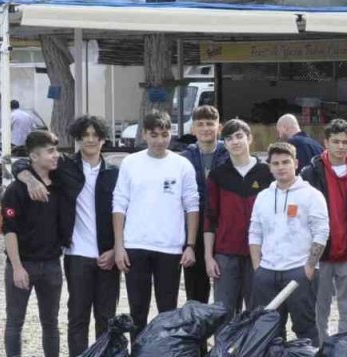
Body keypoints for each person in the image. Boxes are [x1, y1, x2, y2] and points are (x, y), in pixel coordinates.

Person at [13, 117, 121, 357]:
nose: (90, 139)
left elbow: (124, 214)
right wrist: (30, 181)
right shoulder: (64, 166)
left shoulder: (115, 173)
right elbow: (22, 162)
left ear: (103, 139)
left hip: (108, 255)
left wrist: (116, 249)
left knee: (106, 318)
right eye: (85, 135)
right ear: (77, 138)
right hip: (77, 254)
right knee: (77, 317)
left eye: (95, 135)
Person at [113, 111, 200, 334]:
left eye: (164, 134)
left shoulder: (182, 165)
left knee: (168, 311)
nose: (159, 140)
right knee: (138, 311)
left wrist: (190, 245)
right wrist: (119, 245)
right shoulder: (130, 163)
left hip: (170, 247)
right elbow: (119, 204)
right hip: (136, 245)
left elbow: (192, 206)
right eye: (154, 135)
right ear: (144, 135)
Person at [248, 143, 329, 342]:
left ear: (296, 163)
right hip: (267, 272)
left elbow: (321, 231)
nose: (281, 167)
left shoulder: (312, 195)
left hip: (299, 271)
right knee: (268, 330)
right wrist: (258, 266)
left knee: (305, 328)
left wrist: (309, 266)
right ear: (269, 167)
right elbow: (255, 232)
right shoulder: (263, 197)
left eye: (286, 162)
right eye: (275, 163)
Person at [0, 130, 65, 357]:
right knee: (15, 321)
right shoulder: (15, 191)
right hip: (22, 264)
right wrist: (17, 267)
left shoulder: (59, 183)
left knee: (51, 322)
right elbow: (9, 230)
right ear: (33, 157)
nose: (56, 156)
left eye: (55, 150)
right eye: (50, 152)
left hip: (51, 265)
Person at [302, 119, 347, 341]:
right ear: (326, 142)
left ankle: (344, 351)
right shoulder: (309, 173)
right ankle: (321, 351)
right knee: (319, 310)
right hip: (320, 254)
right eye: (336, 141)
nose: (341, 146)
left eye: (345, 142)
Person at [205, 119, 271, 316]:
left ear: (249, 138)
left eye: (239, 136)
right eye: (229, 138)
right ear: (224, 144)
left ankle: (254, 348)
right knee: (223, 314)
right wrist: (209, 257)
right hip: (226, 255)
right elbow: (209, 218)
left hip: (259, 255)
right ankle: (223, 348)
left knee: (256, 313)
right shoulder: (218, 175)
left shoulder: (266, 173)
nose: (235, 142)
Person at [182, 106, 224, 304]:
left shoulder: (229, 154)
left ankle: (227, 333)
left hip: (223, 226)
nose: (206, 128)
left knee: (226, 288)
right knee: (195, 289)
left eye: (210, 123)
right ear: (193, 129)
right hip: (194, 227)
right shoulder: (184, 158)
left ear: (219, 127)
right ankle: (198, 333)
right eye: (200, 124)